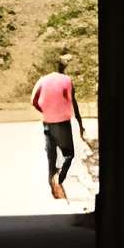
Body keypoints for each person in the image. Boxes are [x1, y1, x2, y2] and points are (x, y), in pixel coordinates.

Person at [30, 54, 87, 200]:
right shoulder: (67, 81)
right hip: (62, 123)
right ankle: (58, 178)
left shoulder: (43, 80)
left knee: (51, 156)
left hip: (47, 122)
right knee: (69, 154)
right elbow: (73, 103)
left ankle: (53, 187)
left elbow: (33, 101)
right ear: (64, 67)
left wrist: (45, 111)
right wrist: (80, 125)